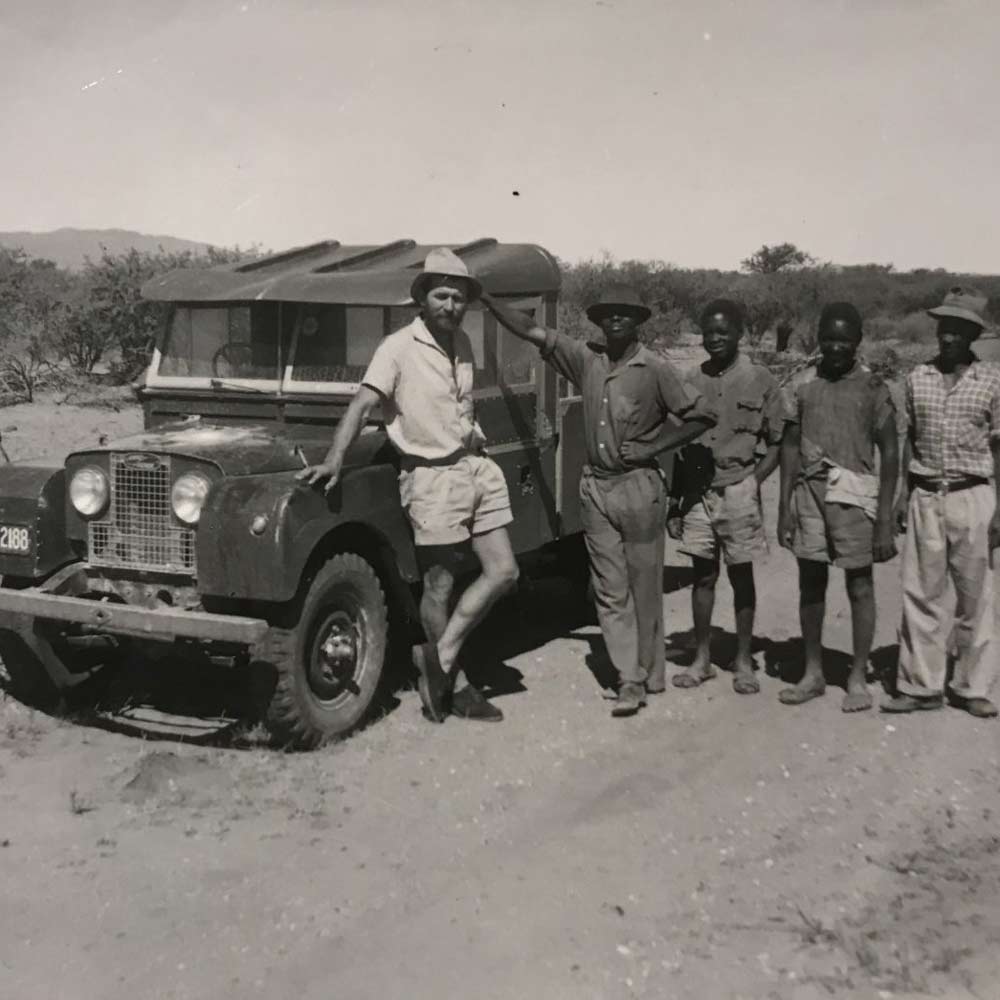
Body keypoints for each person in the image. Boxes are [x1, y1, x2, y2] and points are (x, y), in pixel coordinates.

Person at [298, 248, 516, 724]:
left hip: (474, 468)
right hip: (432, 478)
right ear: (424, 298)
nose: (451, 306)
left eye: (459, 298)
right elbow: (361, 405)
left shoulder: (463, 345)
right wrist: (335, 458)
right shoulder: (397, 348)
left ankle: (438, 658)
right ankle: (455, 686)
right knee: (439, 585)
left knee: (504, 572)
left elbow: (462, 409)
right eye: (441, 295)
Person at [483, 285, 715, 717]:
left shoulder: (656, 369)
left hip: (640, 488)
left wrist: (653, 447)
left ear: (637, 321)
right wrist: (486, 299)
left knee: (644, 585)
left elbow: (701, 414)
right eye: (607, 315)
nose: (615, 321)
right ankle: (630, 679)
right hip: (597, 488)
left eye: (624, 314)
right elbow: (532, 329)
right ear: (599, 321)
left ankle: (650, 671)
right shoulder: (586, 359)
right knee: (609, 589)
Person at [884, 287, 1000, 718]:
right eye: (943, 328)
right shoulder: (918, 378)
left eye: (958, 330)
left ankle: (971, 686)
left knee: (976, 596)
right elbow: (908, 438)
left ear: (972, 335)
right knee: (921, 592)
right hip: (926, 494)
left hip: (974, 495)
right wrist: (901, 496)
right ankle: (921, 685)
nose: (948, 338)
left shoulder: (992, 380)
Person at [777, 302, 898, 712]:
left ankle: (858, 677)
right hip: (809, 494)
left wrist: (884, 520)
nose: (835, 348)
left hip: (854, 495)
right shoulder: (803, 385)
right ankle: (812, 673)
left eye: (844, 341)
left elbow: (891, 452)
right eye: (828, 339)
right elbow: (790, 446)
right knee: (811, 582)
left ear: (857, 342)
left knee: (859, 585)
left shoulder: (873, 387)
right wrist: (784, 507)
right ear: (818, 339)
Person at [667, 299, 785, 695]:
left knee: (741, 575)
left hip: (738, 488)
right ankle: (702, 659)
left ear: (739, 333)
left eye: (723, 331)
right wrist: (676, 502)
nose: (715, 339)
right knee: (702, 576)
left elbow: (777, 442)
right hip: (698, 492)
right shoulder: (690, 380)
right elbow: (680, 448)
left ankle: (743, 660)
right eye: (708, 331)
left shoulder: (761, 379)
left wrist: (754, 481)